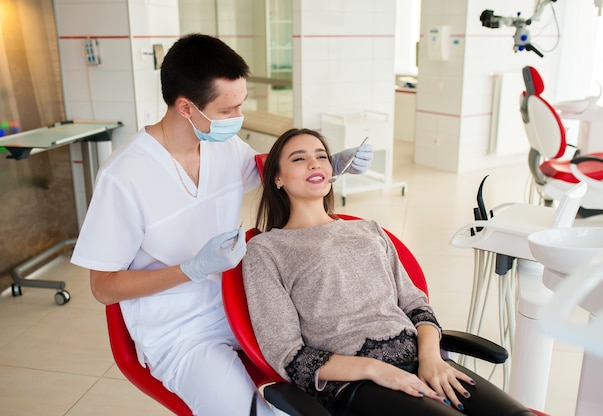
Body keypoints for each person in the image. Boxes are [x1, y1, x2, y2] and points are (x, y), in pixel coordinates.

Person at [70, 34, 372, 416]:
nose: (238, 119)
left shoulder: (222, 145)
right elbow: (103, 288)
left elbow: (271, 172)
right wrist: (191, 269)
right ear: (186, 108)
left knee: (327, 383)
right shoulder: (124, 176)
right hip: (181, 331)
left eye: (240, 105)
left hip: (244, 303)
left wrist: (330, 166)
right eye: (228, 110)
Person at [242, 128, 537, 415]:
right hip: (357, 385)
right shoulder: (266, 249)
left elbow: (415, 305)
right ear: (278, 178)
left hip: (423, 362)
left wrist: (432, 358)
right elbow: (288, 354)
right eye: (298, 158)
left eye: (321, 156)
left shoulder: (368, 229)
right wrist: (377, 371)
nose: (314, 163)